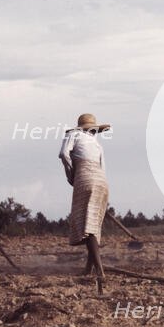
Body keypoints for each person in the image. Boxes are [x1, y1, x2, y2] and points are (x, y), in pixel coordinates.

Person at [59, 114, 110, 288]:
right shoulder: (97, 144)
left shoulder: (73, 135)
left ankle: (99, 270)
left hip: (85, 178)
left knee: (87, 226)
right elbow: (103, 168)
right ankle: (89, 268)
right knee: (93, 224)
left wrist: (71, 175)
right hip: (102, 181)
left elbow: (63, 155)